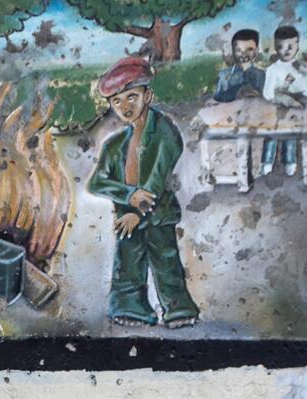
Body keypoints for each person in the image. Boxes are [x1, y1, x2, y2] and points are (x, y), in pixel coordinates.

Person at [88, 57, 199, 329]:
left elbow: (156, 179)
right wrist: (128, 196)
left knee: (166, 263)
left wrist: (139, 210)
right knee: (128, 264)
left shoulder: (164, 131)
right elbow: (96, 183)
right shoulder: (114, 145)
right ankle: (130, 307)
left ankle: (178, 308)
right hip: (127, 216)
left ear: (147, 95)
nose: (125, 107)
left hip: (157, 214)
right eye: (117, 102)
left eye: (131, 97)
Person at [261, 25, 307, 178]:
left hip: (298, 109)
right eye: (281, 47)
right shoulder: (273, 70)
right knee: (271, 132)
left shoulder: (304, 67)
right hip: (277, 108)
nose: (286, 50)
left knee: (291, 133)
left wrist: (306, 75)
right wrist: (283, 91)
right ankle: (267, 162)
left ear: (297, 45)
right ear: (275, 47)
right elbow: (268, 94)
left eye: (290, 46)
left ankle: (289, 161)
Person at [212, 29, 265, 103]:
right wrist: (235, 94)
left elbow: (268, 97)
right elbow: (217, 97)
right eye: (239, 50)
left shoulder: (262, 75)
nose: (243, 54)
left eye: (249, 49)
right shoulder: (224, 74)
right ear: (233, 51)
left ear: (256, 51)